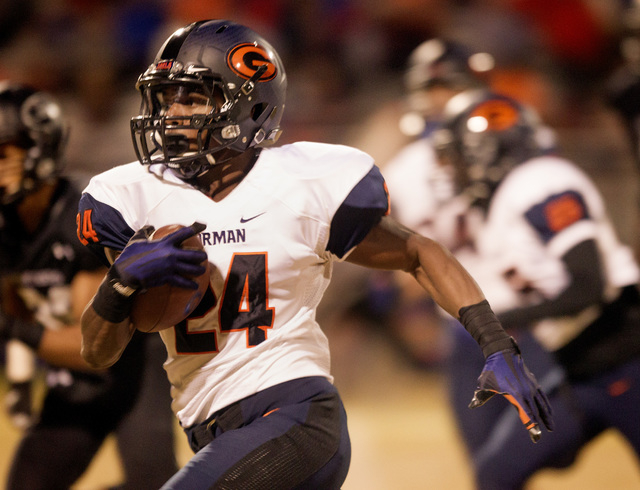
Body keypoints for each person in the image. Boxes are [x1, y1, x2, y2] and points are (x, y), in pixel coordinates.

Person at [76, 20, 552, 489]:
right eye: (168, 97)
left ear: (249, 105)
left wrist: (496, 343)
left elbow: (418, 252)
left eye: (194, 97)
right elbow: (98, 353)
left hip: (294, 415)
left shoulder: (303, 182)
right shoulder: (132, 196)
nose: (173, 113)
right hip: (210, 427)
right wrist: (117, 286)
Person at [431, 88, 640, 489]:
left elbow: (588, 285)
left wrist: (498, 321)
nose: (455, 169)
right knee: (496, 474)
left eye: (458, 156)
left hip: (626, 353)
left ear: (485, 151)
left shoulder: (540, 181)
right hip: (580, 368)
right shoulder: (500, 207)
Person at [0, 82, 178, 490]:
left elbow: (90, 348)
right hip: (72, 383)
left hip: (129, 371)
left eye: (3, 154)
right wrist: (21, 377)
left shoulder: (84, 210)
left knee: (154, 484)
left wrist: (10, 330)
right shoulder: (7, 225)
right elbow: (15, 299)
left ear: (39, 147)